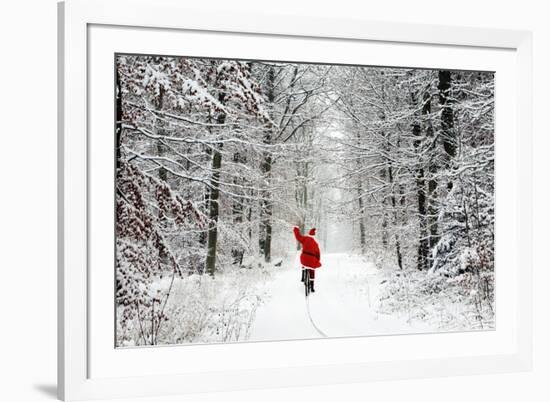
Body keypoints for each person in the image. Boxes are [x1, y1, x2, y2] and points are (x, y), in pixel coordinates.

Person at [293, 226, 322, 293]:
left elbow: (298, 237)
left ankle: (303, 276)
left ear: (309, 234)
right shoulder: (316, 244)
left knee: (304, 262)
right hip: (312, 260)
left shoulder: (305, 238)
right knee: (312, 269)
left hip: (304, 258)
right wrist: (317, 262)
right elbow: (318, 255)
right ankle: (312, 287)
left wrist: (296, 229)